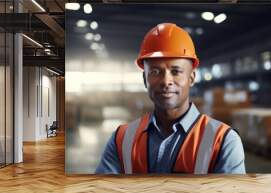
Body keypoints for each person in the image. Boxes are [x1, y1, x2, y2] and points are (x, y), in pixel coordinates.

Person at [96, 23, 245, 174]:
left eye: (176, 71)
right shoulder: (122, 139)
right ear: (144, 79)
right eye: (155, 71)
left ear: (191, 78)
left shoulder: (224, 141)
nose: (166, 81)